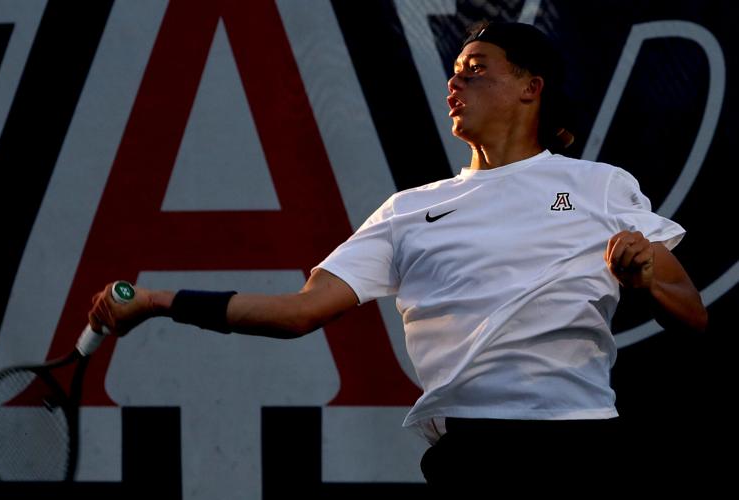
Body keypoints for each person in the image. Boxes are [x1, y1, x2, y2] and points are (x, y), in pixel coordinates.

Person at [89, 20, 707, 491]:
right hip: (472, 454)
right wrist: (161, 301)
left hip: (583, 444)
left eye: (476, 69)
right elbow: (298, 313)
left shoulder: (601, 186)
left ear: (530, 88)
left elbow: (692, 312)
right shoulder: (408, 210)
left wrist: (648, 275)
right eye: (455, 71)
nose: (455, 82)